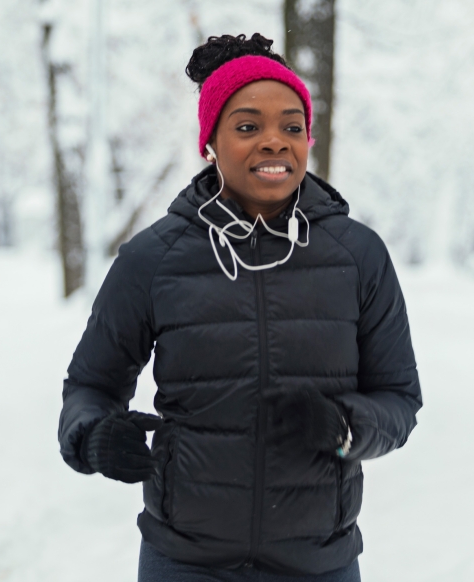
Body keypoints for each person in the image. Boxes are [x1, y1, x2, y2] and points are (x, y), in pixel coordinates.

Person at [59, 34, 422, 580]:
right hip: (184, 561)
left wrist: (347, 427)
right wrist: (95, 437)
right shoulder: (154, 258)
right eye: (248, 126)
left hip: (318, 562)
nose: (275, 142)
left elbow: (399, 399)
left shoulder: (358, 256)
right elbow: (90, 386)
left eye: (292, 127)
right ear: (210, 141)